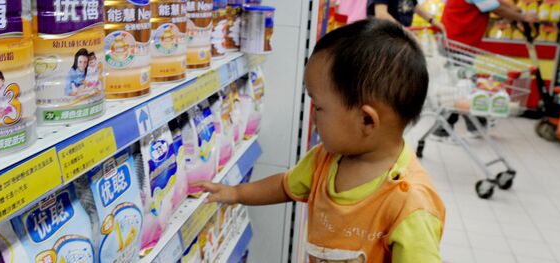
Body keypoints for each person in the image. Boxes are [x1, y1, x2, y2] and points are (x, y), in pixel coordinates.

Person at [195, 19, 445, 263]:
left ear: (367, 120)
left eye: (319, 106)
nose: (312, 115)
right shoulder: (325, 159)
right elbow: (285, 186)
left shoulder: (410, 204)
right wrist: (236, 192)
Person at [433, 0, 539, 138]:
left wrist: (517, 10)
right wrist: (523, 17)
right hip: (456, 42)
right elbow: (497, 8)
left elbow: (497, 2)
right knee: (462, 87)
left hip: (459, 41)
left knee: (465, 86)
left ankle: (476, 126)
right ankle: (443, 129)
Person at [368, 0, 445, 31]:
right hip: (387, 35)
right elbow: (381, 14)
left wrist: (433, 21)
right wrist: (405, 31)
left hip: (400, 34)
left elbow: (415, 6)